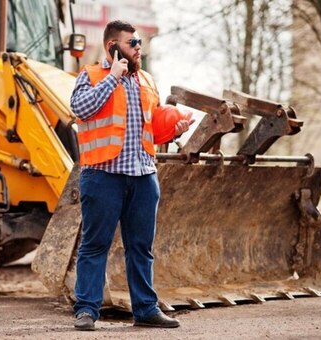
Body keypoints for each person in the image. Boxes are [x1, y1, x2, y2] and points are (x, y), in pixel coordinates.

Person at [70, 20, 194, 331]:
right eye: (132, 42)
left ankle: (146, 309)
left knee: (141, 246)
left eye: (139, 42)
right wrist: (113, 77)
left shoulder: (147, 81)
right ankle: (86, 310)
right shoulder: (92, 75)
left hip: (143, 175)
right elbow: (80, 109)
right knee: (95, 244)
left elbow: (152, 125)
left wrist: (174, 129)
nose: (139, 47)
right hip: (102, 175)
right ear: (113, 46)